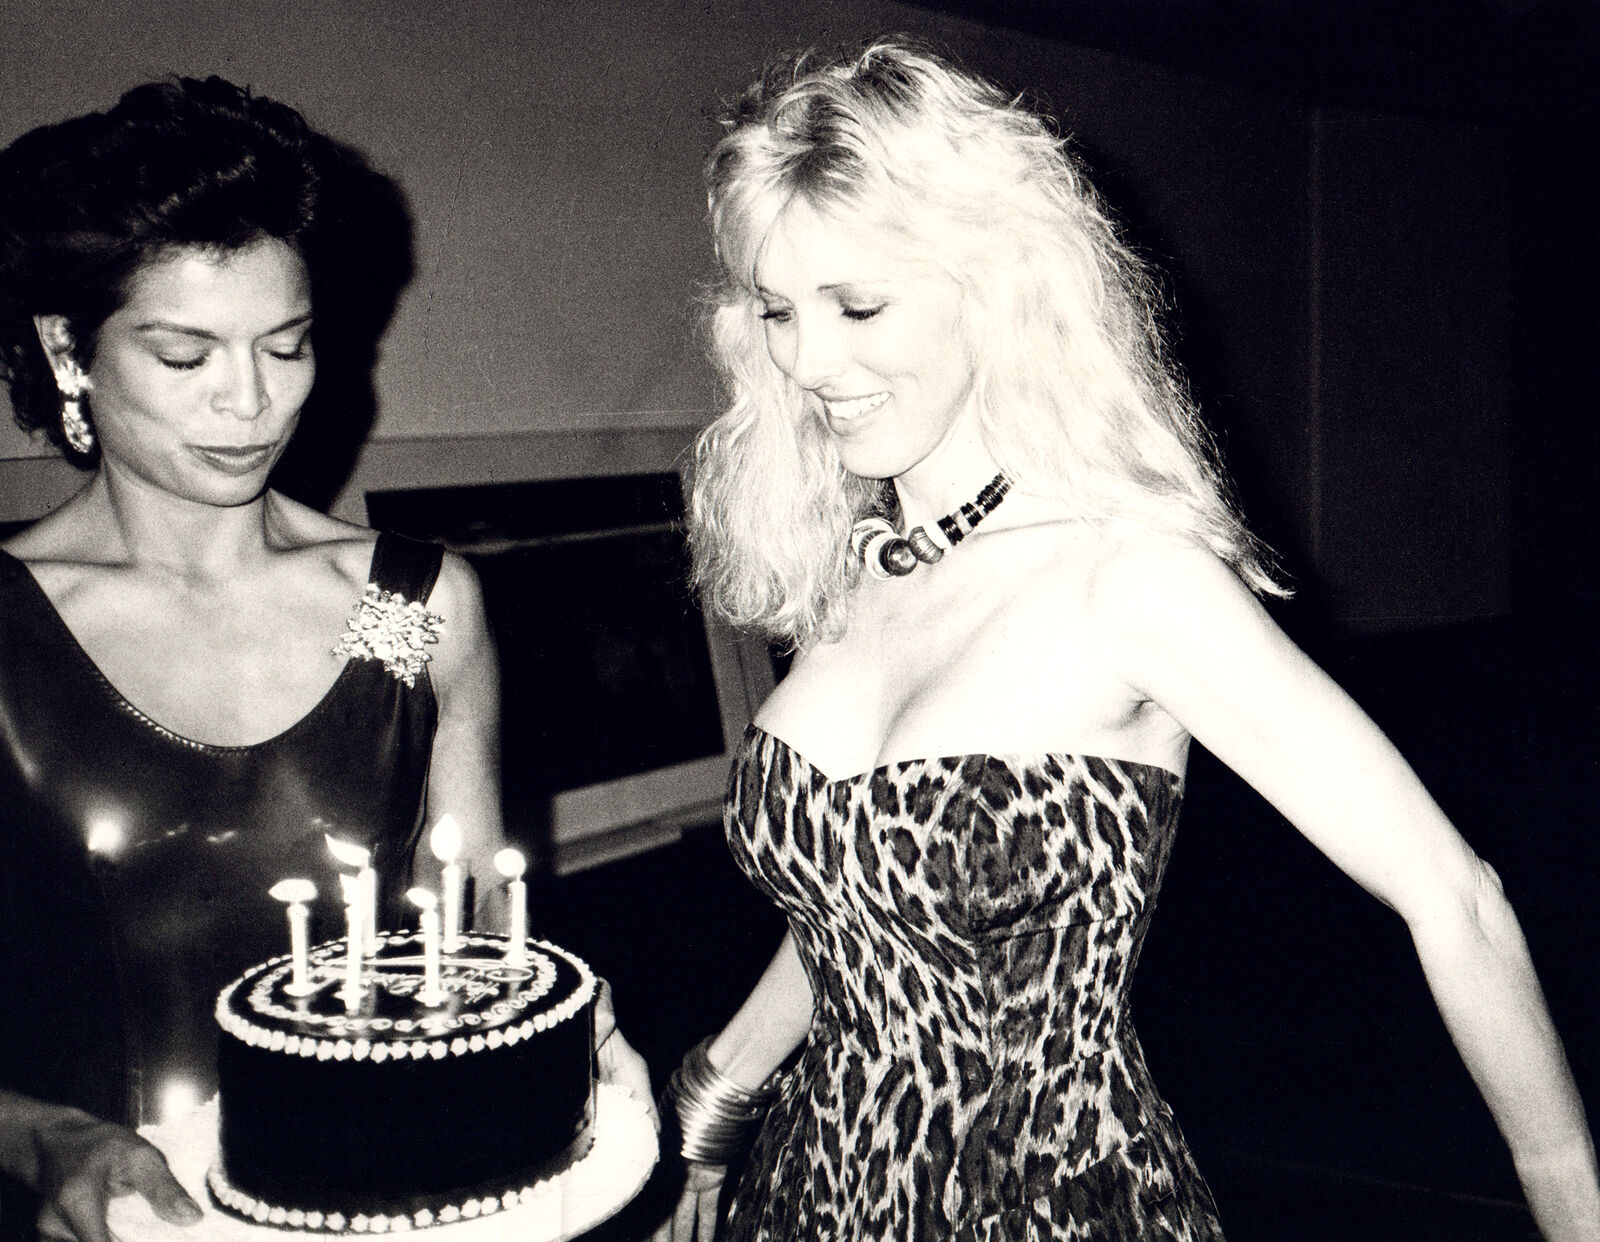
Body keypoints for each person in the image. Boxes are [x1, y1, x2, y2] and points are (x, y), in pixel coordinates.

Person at [654, 38, 1600, 1242]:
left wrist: (1571, 1199)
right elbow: (863, 909)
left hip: (1047, 1200)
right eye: (777, 311)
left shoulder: (1129, 579)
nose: (806, 361)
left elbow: (1454, 899)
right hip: (811, 1188)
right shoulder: (854, 566)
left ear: (993, 284)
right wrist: (713, 1105)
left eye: (859, 306)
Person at [0, 77, 647, 1242]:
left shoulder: (417, 607)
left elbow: (482, 944)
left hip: (397, 1203)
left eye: (287, 346)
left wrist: (563, 1057)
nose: (252, 403)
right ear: (67, 348)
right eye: (186, 356)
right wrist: (43, 1137)